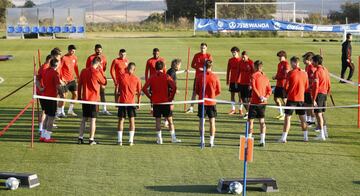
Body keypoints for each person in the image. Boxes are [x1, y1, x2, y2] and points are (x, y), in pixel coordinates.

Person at [142, 61, 181, 144]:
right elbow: (174, 87)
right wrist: (170, 98)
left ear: (155, 68)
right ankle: (173, 138)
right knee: (170, 121)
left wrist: (151, 97)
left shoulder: (152, 77)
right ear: (163, 68)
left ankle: (160, 139)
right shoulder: (166, 76)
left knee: (158, 121)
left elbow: (144, 89)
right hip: (165, 102)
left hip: (156, 103)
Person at [279, 56, 309, 143]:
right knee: (303, 119)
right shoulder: (304, 73)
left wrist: (285, 94)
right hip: (301, 99)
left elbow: (286, 86)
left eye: (291, 63)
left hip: (292, 99)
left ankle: (284, 138)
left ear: (294, 63)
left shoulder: (290, 73)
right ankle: (305, 137)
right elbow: (306, 87)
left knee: (287, 118)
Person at [78, 56, 107, 145]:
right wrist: (101, 71)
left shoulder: (83, 71)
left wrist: (79, 96)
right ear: (98, 63)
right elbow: (104, 82)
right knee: (92, 120)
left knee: (84, 119)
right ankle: (91, 139)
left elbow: (79, 85)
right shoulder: (97, 72)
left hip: (85, 99)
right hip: (93, 99)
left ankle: (80, 138)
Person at [195, 60, 221, 148]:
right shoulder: (215, 76)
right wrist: (212, 95)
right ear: (211, 66)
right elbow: (218, 90)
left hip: (202, 101)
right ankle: (211, 141)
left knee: (202, 122)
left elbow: (197, 89)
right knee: (212, 122)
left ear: (204, 66)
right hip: (212, 102)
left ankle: (202, 140)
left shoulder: (199, 76)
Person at [116, 62, 141, 146]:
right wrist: (139, 103)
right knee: (132, 121)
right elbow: (139, 92)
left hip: (122, 102)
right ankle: (130, 141)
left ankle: (120, 141)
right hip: (131, 103)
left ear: (127, 68)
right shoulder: (137, 78)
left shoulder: (121, 76)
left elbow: (117, 91)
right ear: (134, 69)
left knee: (121, 120)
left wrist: (116, 101)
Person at [247, 60, 272, 147]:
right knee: (262, 121)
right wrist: (265, 97)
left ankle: (249, 140)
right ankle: (262, 140)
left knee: (250, 121)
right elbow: (269, 90)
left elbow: (253, 87)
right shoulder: (265, 77)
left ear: (255, 67)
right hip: (263, 103)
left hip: (254, 103)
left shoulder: (254, 76)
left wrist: (260, 96)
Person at [186, 43, 213, 113]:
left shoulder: (209, 56)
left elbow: (210, 66)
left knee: (206, 92)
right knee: (194, 92)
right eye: (201, 48)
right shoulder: (196, 55)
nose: (202, 49)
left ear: (206, 48)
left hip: (205, 77)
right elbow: (192, 65)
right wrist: (198, 68)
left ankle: (207, 107)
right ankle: (191, 107)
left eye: (204, 48)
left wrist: (204, 70)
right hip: (197, 77)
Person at [40, 58, 62, 143]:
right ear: (56, 64)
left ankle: (43, 136)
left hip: (45, 97)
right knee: (51, 118)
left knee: (47, 116)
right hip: (51, 98)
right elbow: (57, 86)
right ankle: (47, 137)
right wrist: (62, 94)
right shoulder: (55, 73)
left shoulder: (46, 71)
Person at [86, 44, 110, 115]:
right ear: (95, 50)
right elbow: (87, 68)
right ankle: (95, 110)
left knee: (102, 93)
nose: (98, 51)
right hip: (93, 78)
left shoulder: (104, 58)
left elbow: (104, 67)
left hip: (101, 77)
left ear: (101, 50)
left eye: (100, 50)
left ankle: (104, 109)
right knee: (95, 93)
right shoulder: (90, 58)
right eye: (97, 50)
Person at [312, 55, 331, 141]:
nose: (312, 63)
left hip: (319, 94)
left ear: (316, 62)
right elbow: (329, 82)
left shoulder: (317, 72)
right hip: (324, 93)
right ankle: (325, 132)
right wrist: (328, 92)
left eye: (313, 61)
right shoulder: (325, 69)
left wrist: (314, 99)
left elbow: (316, 87)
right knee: (321, 114)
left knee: (318, 114)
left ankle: (322, 135)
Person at [58, 44, 80, 117]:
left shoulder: (75, 58)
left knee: (75, 94)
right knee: (64, 96)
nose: (73, 52)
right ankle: (61, 112)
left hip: (72, 80)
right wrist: (61, 78)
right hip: (65, 81)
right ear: (68, 50)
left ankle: (70, 110)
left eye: (74, 51)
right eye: (72, 50)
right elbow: (59, 68)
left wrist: (78, 76)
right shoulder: (63, 58)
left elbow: (76, 68)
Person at [35, 54, 52, 133]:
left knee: (45, 110)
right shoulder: (45, 67)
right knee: (45, 111)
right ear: (49, 60)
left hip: (41, 91)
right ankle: (41, 127)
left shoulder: (44, 66)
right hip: (43, 92)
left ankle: (42, 126)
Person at [272, 50, 290, 120]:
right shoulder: (279, 64)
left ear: (283, 56)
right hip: (278, 84)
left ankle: (287, 114)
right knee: (275, 98)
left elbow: (286, 75)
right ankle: (281, 113)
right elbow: (278, 73)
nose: (279, 58)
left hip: (283, 85)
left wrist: (277, 77)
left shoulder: (286, 64)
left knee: (284, 100)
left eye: (280, 57)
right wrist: (275, 76)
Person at [164, 58, 182, 127]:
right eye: (179, 65)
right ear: (176, 65)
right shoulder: (172, 72)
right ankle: (166, 121)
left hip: (170, 92)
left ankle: (166, 120)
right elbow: (168, 82)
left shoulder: (172, 71)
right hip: (169, 93)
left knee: (171, 106)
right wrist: (173, 89)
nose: (180, 67)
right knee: (170, 107)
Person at [226, 47, 242, 115]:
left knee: (240, 96)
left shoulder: (241, 60)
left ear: (238, 52)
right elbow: (228, 70)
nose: (233, 54)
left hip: (239, 81)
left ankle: (240, 109)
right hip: (232, 80)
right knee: (232, 95)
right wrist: (227, 80)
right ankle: (233, 109)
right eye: (232, 52)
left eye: (234, 52)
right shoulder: (230, 60)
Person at [238, 51, 254, 119]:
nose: (243, 58)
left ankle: (249, 113)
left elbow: (254, 73)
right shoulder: (241, 62)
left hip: (248, 83)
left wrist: (251, 83)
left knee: (248, 98)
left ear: (247, 56)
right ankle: (249, 112)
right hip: (242, 83)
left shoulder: (251, 63)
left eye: (244, 57)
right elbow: (238, 72)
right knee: (243, 98)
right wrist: (237, 81)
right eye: (242, 57)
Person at [303, 52, 317, 125]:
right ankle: (308, 119)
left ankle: (312, 120)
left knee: (310, 106)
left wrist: (305, 78)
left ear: (309, 60)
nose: (303, 60)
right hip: (306, 89)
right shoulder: (307, 67)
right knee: (306, 104)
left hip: (310, 90)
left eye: (304, 59)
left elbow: (313, 79)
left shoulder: (311, 67)